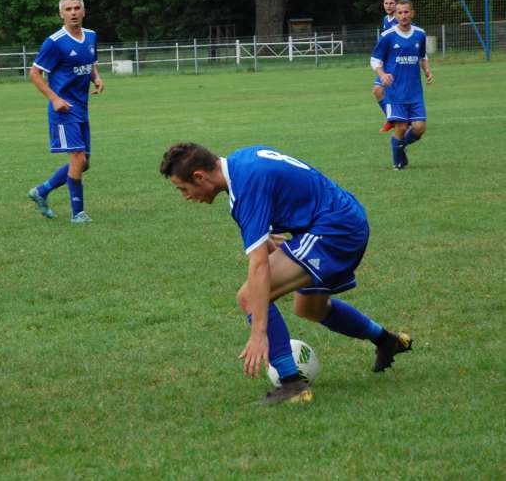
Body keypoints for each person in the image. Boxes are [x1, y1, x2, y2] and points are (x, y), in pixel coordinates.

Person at [160, 142, 412, 404]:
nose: (186, 196)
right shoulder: (242, 163)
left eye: (183, 189)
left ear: (199, 176)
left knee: (249, 296)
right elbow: (280, 191)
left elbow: (259, 266)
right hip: (336, 219)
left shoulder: (246, 186)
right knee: (310, 308)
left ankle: (292, 385)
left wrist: (258, 332)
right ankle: (387, 341)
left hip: (336, 229)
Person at [27, 0, 104, 223]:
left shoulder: (91, 36)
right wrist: (54, 99)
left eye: (76, 8)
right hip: (63, 110)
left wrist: (96, 78)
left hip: (82, 108)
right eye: (68, 9)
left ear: (83, 11)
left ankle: (41, 191)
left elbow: (90, 62)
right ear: (61, 13)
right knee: (78, 159)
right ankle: (78, 214)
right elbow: (34, 73)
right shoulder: (55, 42)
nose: (73, 13)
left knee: (83, 163)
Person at [370, 0, 433, 170]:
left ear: (412, 13)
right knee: (402, 126)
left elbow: (423, 56)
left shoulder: (420, 33)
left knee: (419, 128)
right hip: (395, 91)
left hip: (415, 91)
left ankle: (399, 145)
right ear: (395, 15)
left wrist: (427, 70)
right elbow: (375, 59)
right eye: (400, 13)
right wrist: (382, 74)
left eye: (406, 12)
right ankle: (397, 163)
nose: (403, 16)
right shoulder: (387, 36)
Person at [373, 0, 399, 134]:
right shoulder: (386, 19)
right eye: (386, 3)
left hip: (397, 64)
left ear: (396, 4)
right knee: (378, 91)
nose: (388, 6)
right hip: (386, 63)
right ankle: (391, 120)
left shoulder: (401, 19)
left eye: (391, 3)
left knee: (395, 93)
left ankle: (401, 121)